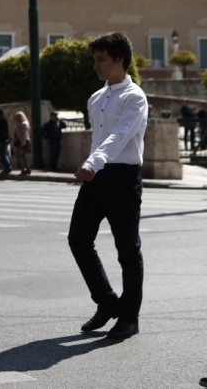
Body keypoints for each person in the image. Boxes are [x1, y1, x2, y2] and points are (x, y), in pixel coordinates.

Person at [68, 32, 148, 340]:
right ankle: (107, 302)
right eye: (95, 60)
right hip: (97, 175)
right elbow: (99, 137)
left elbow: (120, 136)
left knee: (128, 249)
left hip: (123, 177)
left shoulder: (134, 97)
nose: (96, 65)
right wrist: (92, 163)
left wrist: (93, 162)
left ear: (119, 59)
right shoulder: (95, 98)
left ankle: (130, 317)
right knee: (78, 239)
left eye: (101, 59)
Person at [0, 109, 12, 174]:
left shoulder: (0, 120)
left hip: (3, 139)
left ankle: (8, 166)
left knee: (2, 154)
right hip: (4, 139)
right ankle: (7, 166)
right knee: (2, 154)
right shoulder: (2, 120)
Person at [12, 110, 31, 176]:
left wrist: (23, 144)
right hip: (21, 142)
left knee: (19, 156)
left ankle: (23, 169)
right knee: (23, 156)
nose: (16, 119)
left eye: (17, 117)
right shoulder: (21, 124)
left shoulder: (24, 124)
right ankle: (27, 168)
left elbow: (24, 135)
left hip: (22, 142)